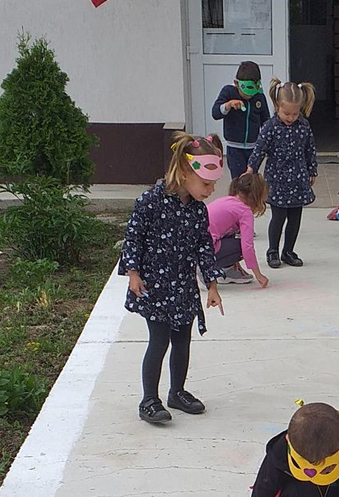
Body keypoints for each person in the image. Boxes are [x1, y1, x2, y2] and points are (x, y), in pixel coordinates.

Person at [119, 133, 225, 426]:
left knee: (182, 339)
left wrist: (212, 284)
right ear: (184, 172)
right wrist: (133, 273)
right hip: (153, 286)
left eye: (213, 184)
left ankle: (177, 392)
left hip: (183, 287)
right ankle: (148, 400)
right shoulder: (150, 201)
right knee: (159, 340)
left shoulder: (198, 210)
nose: (211, 190)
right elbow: (133, 238)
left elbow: (204, 245)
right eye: (206, 184)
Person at [247, 79, 317, 269]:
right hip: (277, 179)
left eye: (295, 113)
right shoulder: (270, 126)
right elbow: (259, 149)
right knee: (278, 217)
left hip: (298, 179)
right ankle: (273, 251)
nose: (291, 117)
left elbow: (310, 149)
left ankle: (288, 251)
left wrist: (312, 169)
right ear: (277, 106)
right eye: (286, 113)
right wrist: (251, 168)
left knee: (295, 217)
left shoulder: (304, 126)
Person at [207, 170, 270, 289]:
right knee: (240, 247)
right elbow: (247, 246)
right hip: (204, 250)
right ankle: (205, 270)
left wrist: (232, 262)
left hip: (193, 246)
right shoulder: (244, 211)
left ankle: (227, 270)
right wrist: (258, 275)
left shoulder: (226, 200)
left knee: (230, 237)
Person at [211, 61, 270, 180]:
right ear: (236, 83)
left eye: (252, 93)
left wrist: (267, 143)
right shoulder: (228, 92)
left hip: (254, 148)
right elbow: (215, 113)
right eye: (246, 93)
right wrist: (228, 105)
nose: (249, 96)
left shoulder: (259, 98)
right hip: (234, 148)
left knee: (251, 179)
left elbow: (266, 122)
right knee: (238, 180)